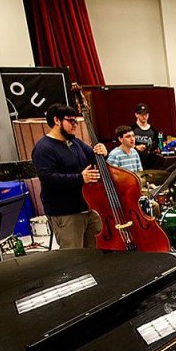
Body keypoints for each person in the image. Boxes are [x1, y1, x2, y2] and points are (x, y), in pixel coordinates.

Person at [31, 103, 108, 250]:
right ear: (57, 121)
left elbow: (94, 157)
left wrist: (102, 151)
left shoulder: (74, 142)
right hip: (66, 212)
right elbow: (48, 178)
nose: (75, 125)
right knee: (74, 255)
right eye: (71, 121)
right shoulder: (44, 148)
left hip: (88, 207)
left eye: (76, 121)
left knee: (96, 251)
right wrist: (80, 178)